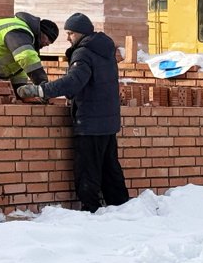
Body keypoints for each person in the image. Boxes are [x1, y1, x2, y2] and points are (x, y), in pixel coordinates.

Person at [17, 13, 130, 213]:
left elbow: (74, 82)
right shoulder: (104, 51)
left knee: (87, 170)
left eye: (70, 33)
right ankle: (122, 207)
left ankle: (90, 211)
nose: (68, 38)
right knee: (109, 168)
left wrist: (41, 90)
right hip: (108, 121)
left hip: (90, 122)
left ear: (80, 33)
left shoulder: (84, 53)